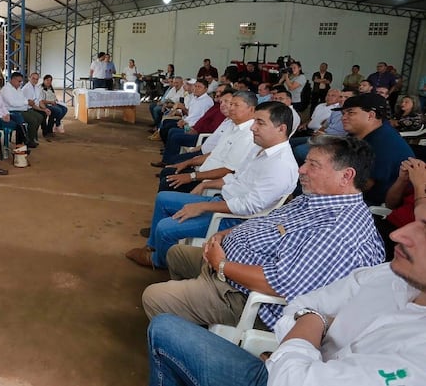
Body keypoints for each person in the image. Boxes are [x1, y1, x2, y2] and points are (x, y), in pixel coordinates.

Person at [146, 197, 426, 386]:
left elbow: (293, 377)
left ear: (345, 176)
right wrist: (306, 331)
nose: (397, 234)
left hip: (275, 364)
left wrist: (308, 330)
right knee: (177, 259)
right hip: (282, 358)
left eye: (424, 229)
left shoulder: (338, 230)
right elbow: (306, 304)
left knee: (162, 326)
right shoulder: (390, 275)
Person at [142, 135, 385, 327]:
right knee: (176, 253)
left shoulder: (339, 230)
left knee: (153, 296)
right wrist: (226, 235)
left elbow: (280, 284)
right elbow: (267, 222)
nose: (302, 170)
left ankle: (181, 337)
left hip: (247, 298)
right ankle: (192, 311)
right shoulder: (314, 199)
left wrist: (222, 265)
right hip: (229, 265)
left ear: (346, 176)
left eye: (314, 165)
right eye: (306, 162)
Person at [128, 102, 298, 269]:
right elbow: (234, 178)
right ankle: (154, 246)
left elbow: (249, 206)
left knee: (165, 228)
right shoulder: (260, 149)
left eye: (260, 123)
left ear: (281, 129)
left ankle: (158, 261)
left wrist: (204, 206)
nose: (253, 127)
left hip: (233, 219)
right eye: (254, 121)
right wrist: (204, 186)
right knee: (163, 198)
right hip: (222, 201)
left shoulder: (281, 165)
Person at [334, 93, 413, 205]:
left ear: (371, 115)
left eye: (350, 113)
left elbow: (363, 185)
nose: (343, 117)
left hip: (375, 203)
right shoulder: (360, 134)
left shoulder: (384, 141)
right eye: (343, 113)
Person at [1, 72, 44, 148]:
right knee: (33, 119)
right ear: (13, 80)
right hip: (13, 111)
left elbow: (23, 99)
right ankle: (28, 140)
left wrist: (28, 101)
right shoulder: (6, 89)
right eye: (19, 81)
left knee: (39, 116)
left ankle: (31, 136)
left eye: (21, 81)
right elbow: (12, 103)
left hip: (22, 109)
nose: (20, 83)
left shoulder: (18, 89)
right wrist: (26, 102)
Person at [22, 72, 54, 138]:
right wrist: (43, 109)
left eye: (36, 79)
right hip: (27, 109)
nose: (35, 80)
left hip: (34, 107)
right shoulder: (26, 89)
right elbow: (32, 104)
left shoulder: (36, 88)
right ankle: (33, 135)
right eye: (33, 78)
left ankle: (36, 133)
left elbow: (39, 101)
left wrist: (45, 109)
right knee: (40, 115)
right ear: (29, 78)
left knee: (47, 113)